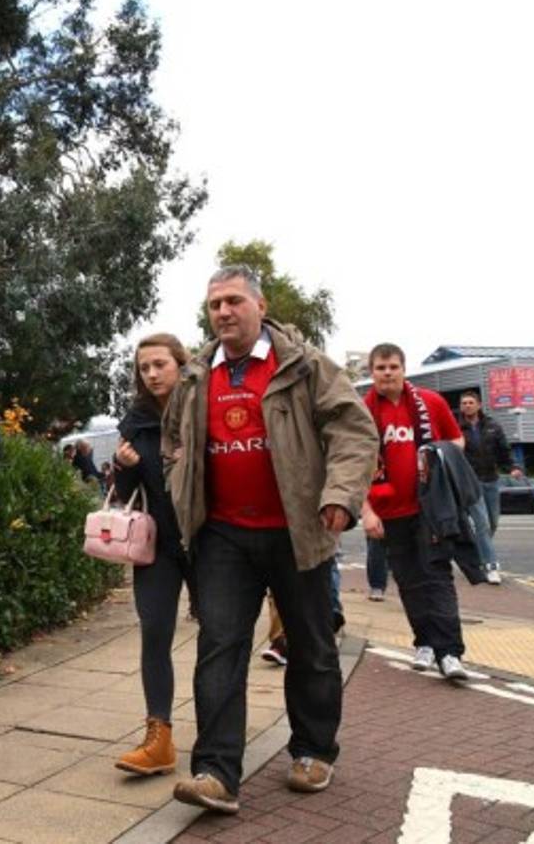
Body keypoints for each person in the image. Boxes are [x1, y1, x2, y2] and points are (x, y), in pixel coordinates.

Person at [164, 265, 378, 814]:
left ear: (260, 306)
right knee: (219, 649)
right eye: (215, 305)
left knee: (310, 644)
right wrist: (179, 478)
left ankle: (312, 751)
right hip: (223, 537)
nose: (224, 313)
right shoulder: (194, 376)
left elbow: (353, 429)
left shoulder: (304, 366)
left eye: (234, 301)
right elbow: (172, 440)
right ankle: (215, 772)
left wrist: (340, 494)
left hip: (297, 531)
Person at [111, 333, 197, 776]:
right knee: (155, 632)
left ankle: (219, 735)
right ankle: (158, 736)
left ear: (180, 365)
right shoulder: (136, 421)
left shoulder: (202, 410)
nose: (152, 374)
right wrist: (125, 468)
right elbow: (126, 495)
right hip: (159, 545)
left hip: (208, 541)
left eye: (160, 364)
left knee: (220, 637)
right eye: (144, 368)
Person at [361, 343, 471, 682]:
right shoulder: (361, 411)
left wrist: (434, 456)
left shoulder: (431, 402)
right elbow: (353, 464)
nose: (387, 373)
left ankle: (450, 652)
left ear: (403, 369)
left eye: (393, 366)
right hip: (389, 511)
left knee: (436, 575)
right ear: (372, 372)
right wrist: (366, 512)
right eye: (380, 368)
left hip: (430, 509)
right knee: (408, 580)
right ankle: (424, 642)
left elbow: (457, 440)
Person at [458, 390, 523, 585]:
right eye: (464, 403)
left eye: (470, 402)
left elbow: (504, 450)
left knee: (492, 523)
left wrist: (513, 467)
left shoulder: (493, 426)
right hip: (471, 481)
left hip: (492, 480)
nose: (467, 406)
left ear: (478, 405)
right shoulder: (456, 428)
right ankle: (491, 566)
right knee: (482, 524)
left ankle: (479, 555)